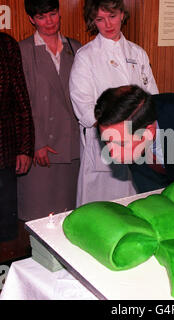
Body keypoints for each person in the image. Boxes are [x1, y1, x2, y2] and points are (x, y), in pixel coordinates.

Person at [69, 0, 159, 206]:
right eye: (100, 19)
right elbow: (84, 108)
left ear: (122, 15)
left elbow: (153, 99)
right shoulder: (86, 57)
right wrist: (119, 129)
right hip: (104, 144)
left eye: (112, 16)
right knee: (101, 212)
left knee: (136, 206)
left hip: (139, 144)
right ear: (93, 21)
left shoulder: (138, 54)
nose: (108, 25)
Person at [17, 0, 81, 221]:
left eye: (52, 14)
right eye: (42, 17)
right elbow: (22, 103)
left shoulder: (75, 47)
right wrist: (35, 143)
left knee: (69, 215)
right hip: (41, 147)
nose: (49, 21)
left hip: (72, 146)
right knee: (39, 216)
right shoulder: (23, 50)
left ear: (59, 13)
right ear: (31, 19)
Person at [0, 32, 35, 241]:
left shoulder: (6, 45)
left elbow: (21, 100)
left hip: (3, 151)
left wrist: (25, 147)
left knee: (5, 230)